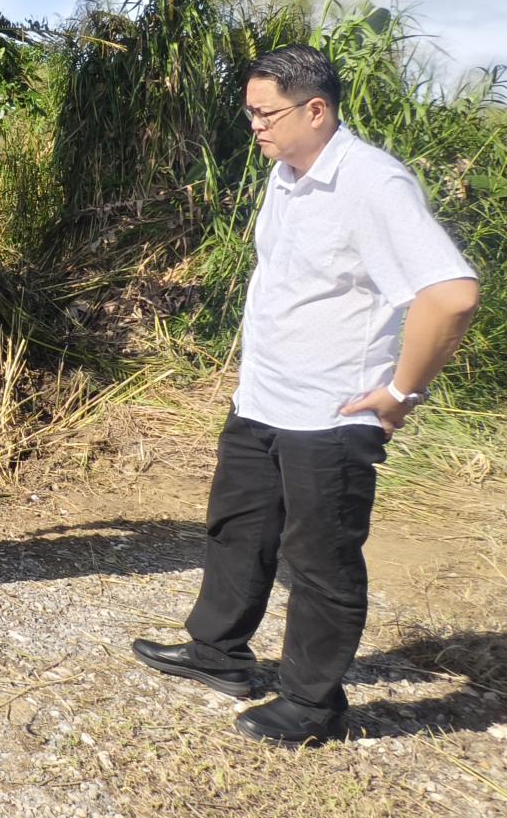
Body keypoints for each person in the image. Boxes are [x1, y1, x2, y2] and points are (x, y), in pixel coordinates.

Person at [134, 45, 479, 746]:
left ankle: (311, 704)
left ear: (315, 110)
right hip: (263, 398)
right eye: (250, 114)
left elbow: (451, 295)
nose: (254, 126)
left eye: (265, 113)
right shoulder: (288, 176)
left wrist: (401, 393)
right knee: (238, 533)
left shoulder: (372, 183)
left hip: (331, 414)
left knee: (320, 561)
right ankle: (217, 654)